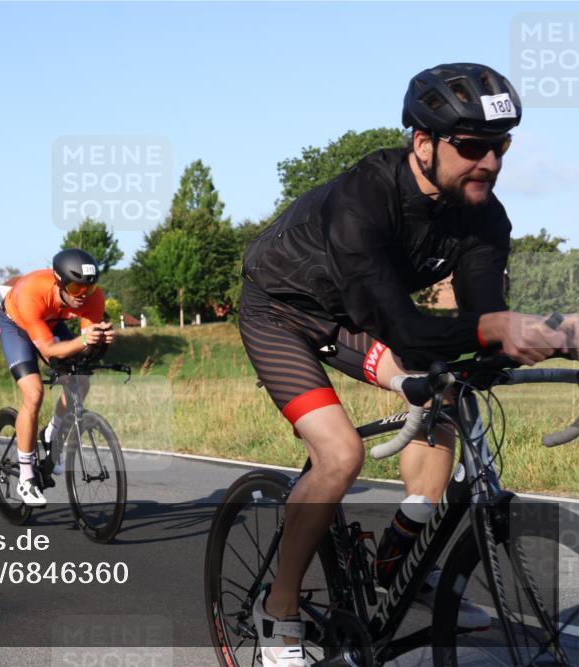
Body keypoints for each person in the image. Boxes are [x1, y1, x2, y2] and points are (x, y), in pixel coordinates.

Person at [237, 63, 577, 667]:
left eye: (500, 147)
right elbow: (400, 323)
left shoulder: (483, 214)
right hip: (282, 311)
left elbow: (480, 320)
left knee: (449, 389)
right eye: (473, 147)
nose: (491, 164)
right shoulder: (363, 198)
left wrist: (556, 334)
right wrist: (491, 330)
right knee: (340, 455)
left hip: (357, 311)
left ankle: (399, 560)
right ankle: (277, 613)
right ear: (423, 143)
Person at [0, 248, 116, 507]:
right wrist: (84, 339)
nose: (83, 295)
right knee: (34, 393)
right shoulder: (32, 293)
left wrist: (100, 341)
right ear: (59, 282)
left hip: (49, 323)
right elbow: (49, 349)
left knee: (81, 381)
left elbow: (85, 349)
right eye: (75, 288)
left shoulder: (92, 298)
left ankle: (52, 432)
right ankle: (26, 477)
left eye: (89, 287)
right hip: (16, 325)